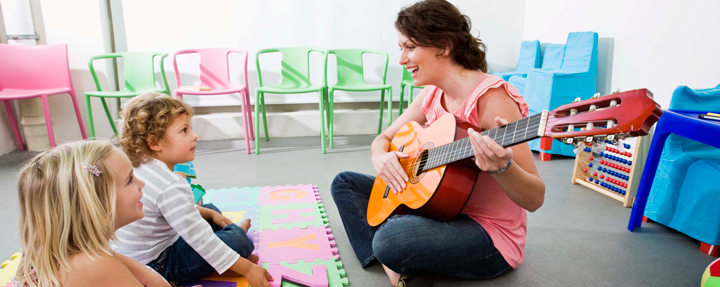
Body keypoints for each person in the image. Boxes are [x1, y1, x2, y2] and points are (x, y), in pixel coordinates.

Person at [331, 0, 545, 286]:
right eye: (401, 48)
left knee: (390, 238)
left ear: (443, 46)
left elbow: (535, 198)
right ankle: (403, 272)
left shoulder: (492, 98)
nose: (402, 59)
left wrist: (502, 167)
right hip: (438, 209)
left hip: (486, 234)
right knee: (344, 183)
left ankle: (401, 263)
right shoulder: (431, 94)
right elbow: (383, 138)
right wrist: (380, 156)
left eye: (410, 47)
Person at [113, 92, 272, 287]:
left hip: (139, 255)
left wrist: (210, 214)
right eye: (184, 131)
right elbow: (200, 240)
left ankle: (226, 255)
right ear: (155, 142)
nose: (194, 136)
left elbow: (168, 210)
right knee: (238, 240)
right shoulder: (170, 185)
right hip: (158, 265)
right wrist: (247, 269)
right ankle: (233, 253)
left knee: (210, 209)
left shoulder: (139, 167)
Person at [13, 140, 170, 287]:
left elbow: (154, 281)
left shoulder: (60, 255)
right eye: (129, 180)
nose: (141, 184)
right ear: (96, 204)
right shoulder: (93, 263)